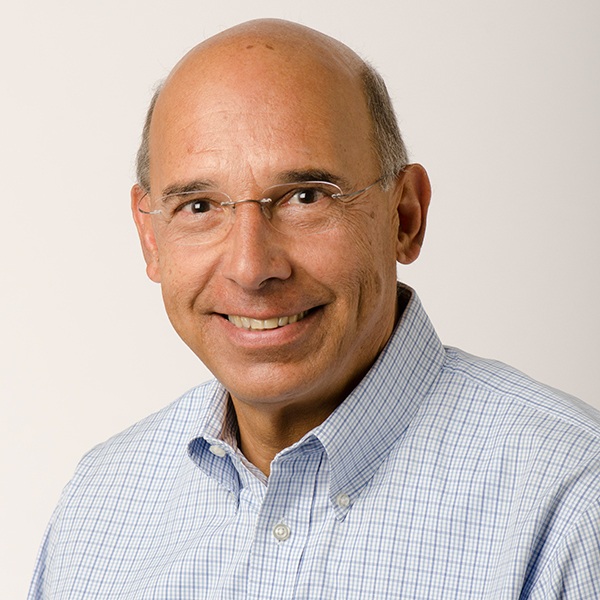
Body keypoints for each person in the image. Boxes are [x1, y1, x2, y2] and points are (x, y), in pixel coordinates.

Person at [29, 18, 600, 599]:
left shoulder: (571, 500)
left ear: (405, 215)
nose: (252, 267)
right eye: (199, 206)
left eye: (306, 197)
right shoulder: (96, 510)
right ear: (151, 237)